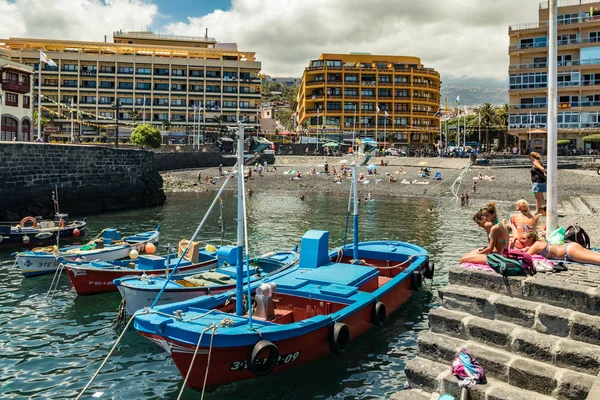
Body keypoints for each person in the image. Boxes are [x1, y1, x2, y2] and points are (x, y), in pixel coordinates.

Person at [520, 231, 600, 265]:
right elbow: (523, 251)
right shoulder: (536, 245)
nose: (521, 240)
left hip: (569, 251)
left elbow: (525, 257)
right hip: (570, 247)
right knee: (596, 256)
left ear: (531, 239)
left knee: (597, 260)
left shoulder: (536, 246)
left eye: (524, 239)